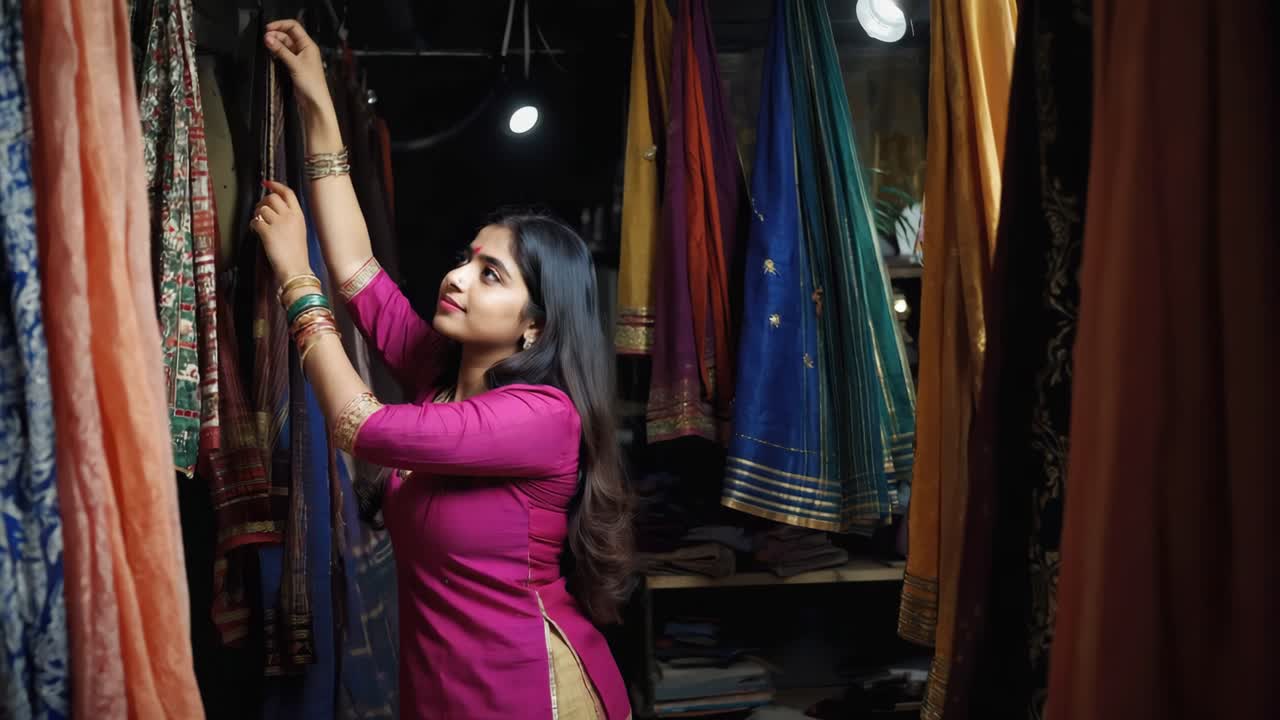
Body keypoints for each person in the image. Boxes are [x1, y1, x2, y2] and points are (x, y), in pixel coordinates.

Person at [253, 20, 634, 720]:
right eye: (466, 258)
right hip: (441, 692)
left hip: (531, 694)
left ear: (537, 323)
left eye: (490, 274)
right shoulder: (440, 368)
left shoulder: (542, 418)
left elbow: (355, 424)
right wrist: (318, 105)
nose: (457, 277)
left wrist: (294, 282)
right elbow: (356, 268)